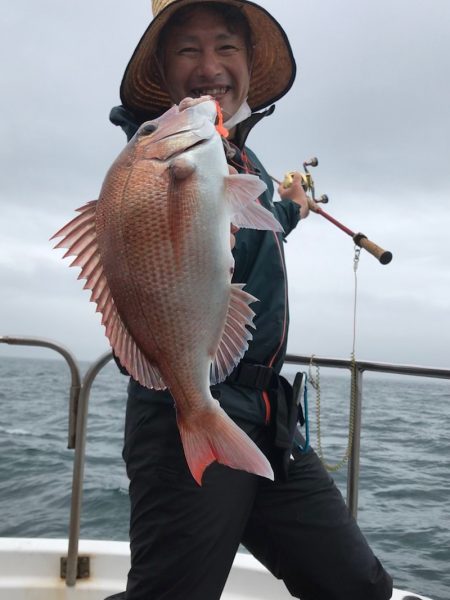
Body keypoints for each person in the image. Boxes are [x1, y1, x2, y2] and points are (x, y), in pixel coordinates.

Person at [106, 1, 393, 599]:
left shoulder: (229, 154)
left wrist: (292, 202)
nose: (210, 65)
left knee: (356, 587)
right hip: (187, 402)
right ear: (162, 72)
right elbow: (178, 220)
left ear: (248, 62)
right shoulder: (159, 156)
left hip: (271, 416)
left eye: (226, 47)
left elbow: (247, 233)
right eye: (188, 49)